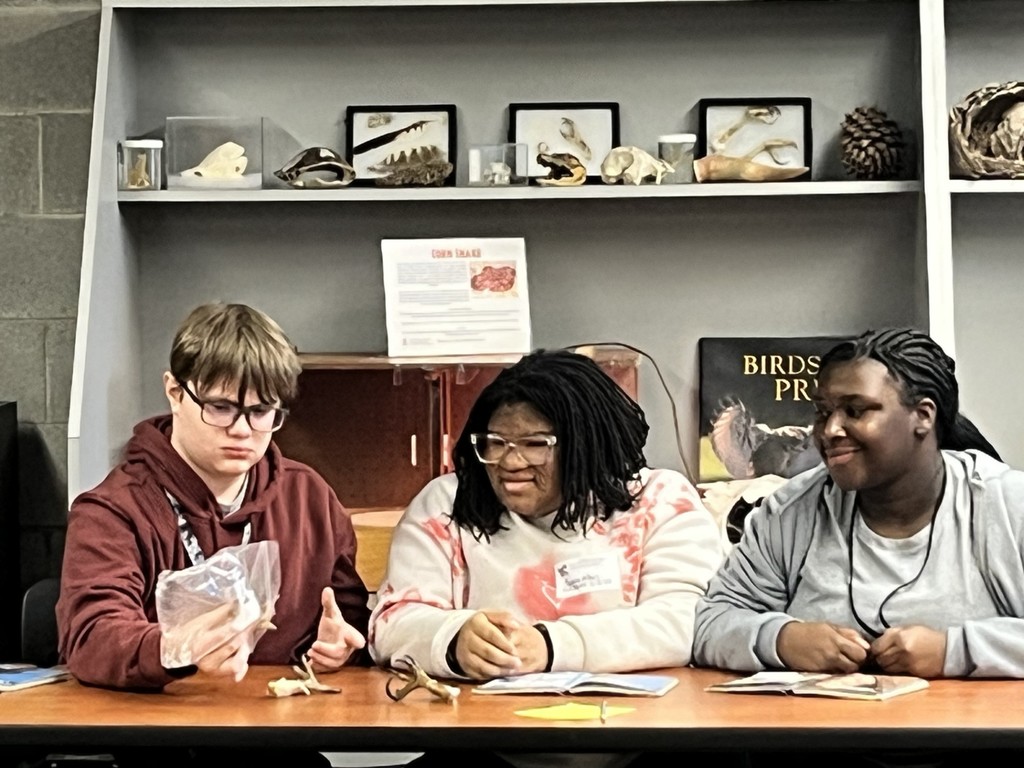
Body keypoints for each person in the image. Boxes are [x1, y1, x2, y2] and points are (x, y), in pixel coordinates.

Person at [369, 349, 727, 768]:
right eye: (495, 443)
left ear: (589, 444)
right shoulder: (448, 503)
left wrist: (549, 646)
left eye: (536, 445)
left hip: (644, 745)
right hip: (485, 748)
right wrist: (453, 639)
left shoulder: (658, 500)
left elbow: (687, 621)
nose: (510, 462)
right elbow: (392, 623)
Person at [55, 303, 370, 764]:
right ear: (174, 392)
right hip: (160, 746)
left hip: (280, 746)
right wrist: (179, 646)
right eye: (220, 407)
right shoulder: (114, 509)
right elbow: (91, 636)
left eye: (262, 411)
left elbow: (350, 621)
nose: (242, 430)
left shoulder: (310, 498)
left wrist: (339, 648)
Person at [692, 327, 1024, 765]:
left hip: (982, 756)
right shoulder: (791, 511)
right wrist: (782, 638)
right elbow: (710, 622)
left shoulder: (1004, 503)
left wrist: (954, 650)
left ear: (922, 416)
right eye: (822, 411)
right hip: (822, 757)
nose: (830, 430)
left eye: (855, 410)